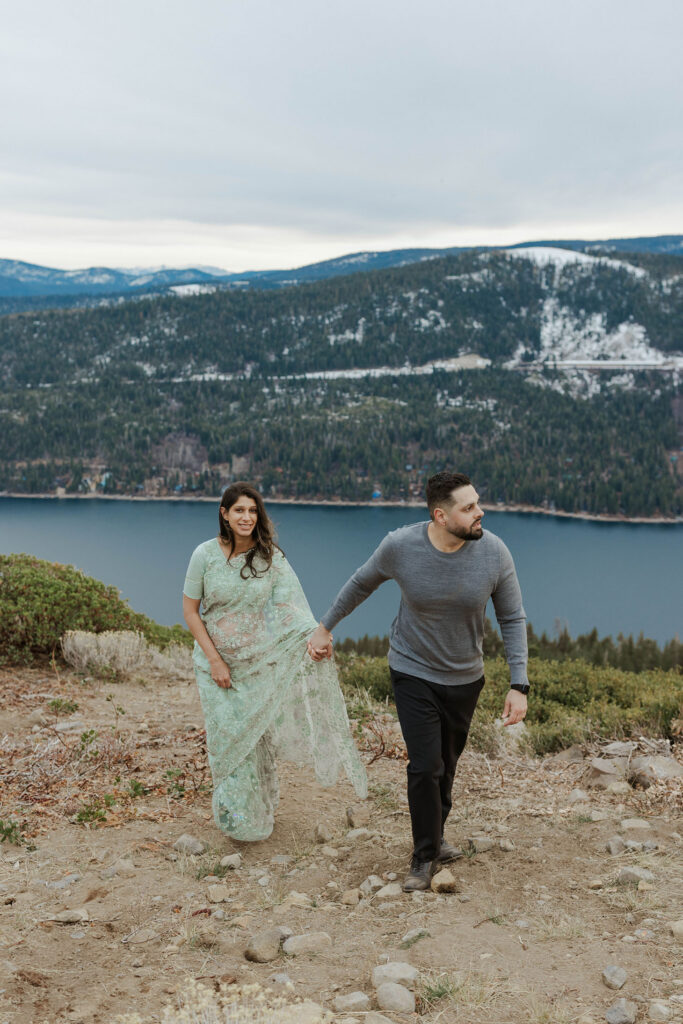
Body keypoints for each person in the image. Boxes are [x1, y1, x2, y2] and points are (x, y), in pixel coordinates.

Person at [308, 471, 529, 891]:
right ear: (441, 516)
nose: (480, 512)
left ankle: (437, 835)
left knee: (446, 767)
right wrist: (324, 626)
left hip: (466, 678)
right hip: (412, 670)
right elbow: (361, 583)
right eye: (469, 508)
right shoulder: (400, 546)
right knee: (425, 765)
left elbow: (512, 617)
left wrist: (519, 684)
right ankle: (423, 857)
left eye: (477, 502)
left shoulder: (495, 552)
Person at [183, 482, 367, 841]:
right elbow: (190, 612)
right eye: (239, 510)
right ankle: (234, 816)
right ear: (224, 513)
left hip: (256, 664)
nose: (247, 517)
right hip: (213, 665)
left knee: (253, 741)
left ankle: (255, 811)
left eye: (253, 511)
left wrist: (315, 638)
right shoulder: (204, 554)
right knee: (227, 739)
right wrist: (215, 660)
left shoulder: (271, 557)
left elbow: (290, 609)